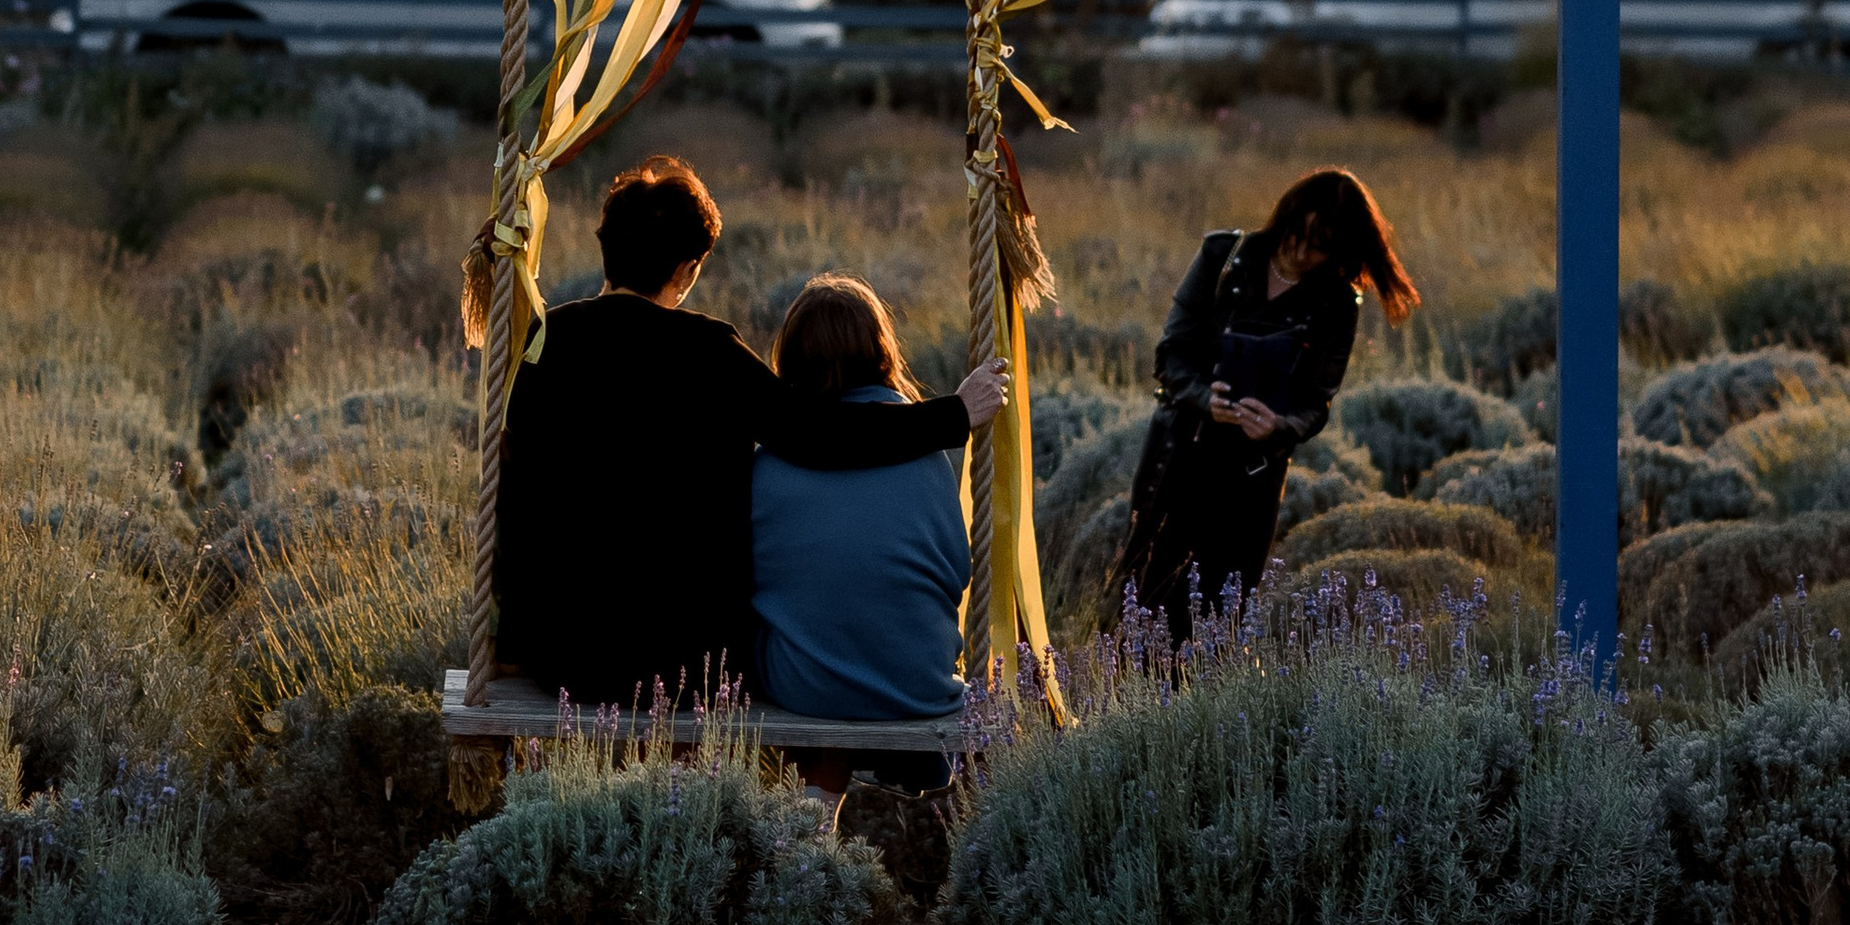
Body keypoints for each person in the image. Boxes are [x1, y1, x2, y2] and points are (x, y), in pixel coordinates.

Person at [493, 154, 1007, 707]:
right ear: (687, 270)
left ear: (607, 249)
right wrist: (953, 414)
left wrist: (514, 642)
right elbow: (819, 434)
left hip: (567, 661)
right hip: (690, 667)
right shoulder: (708, 351)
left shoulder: (545, 344)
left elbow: (516, 503)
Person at [1108, 166, 1419, 637]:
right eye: (1297, 235)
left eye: (1318, 246)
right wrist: (1202, 398)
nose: (1300, 252)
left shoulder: (1336, 301)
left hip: (1249, 480)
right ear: (1285, 217)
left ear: (1339, 250)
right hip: (1179, 458)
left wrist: (1276, 426)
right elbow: (1171, 353)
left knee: (1221, 619)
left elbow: (1318, 402)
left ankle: (1197, 710)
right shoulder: (1223, 255)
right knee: (1144, 601)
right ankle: (1129, 704)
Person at [750, 277, 970, 720]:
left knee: (792, 629)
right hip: (918, 683)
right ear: (882, 351)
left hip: (805, 687)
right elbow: (956, 572)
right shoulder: (925, 452)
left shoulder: (769, 463)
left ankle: (816, 789)